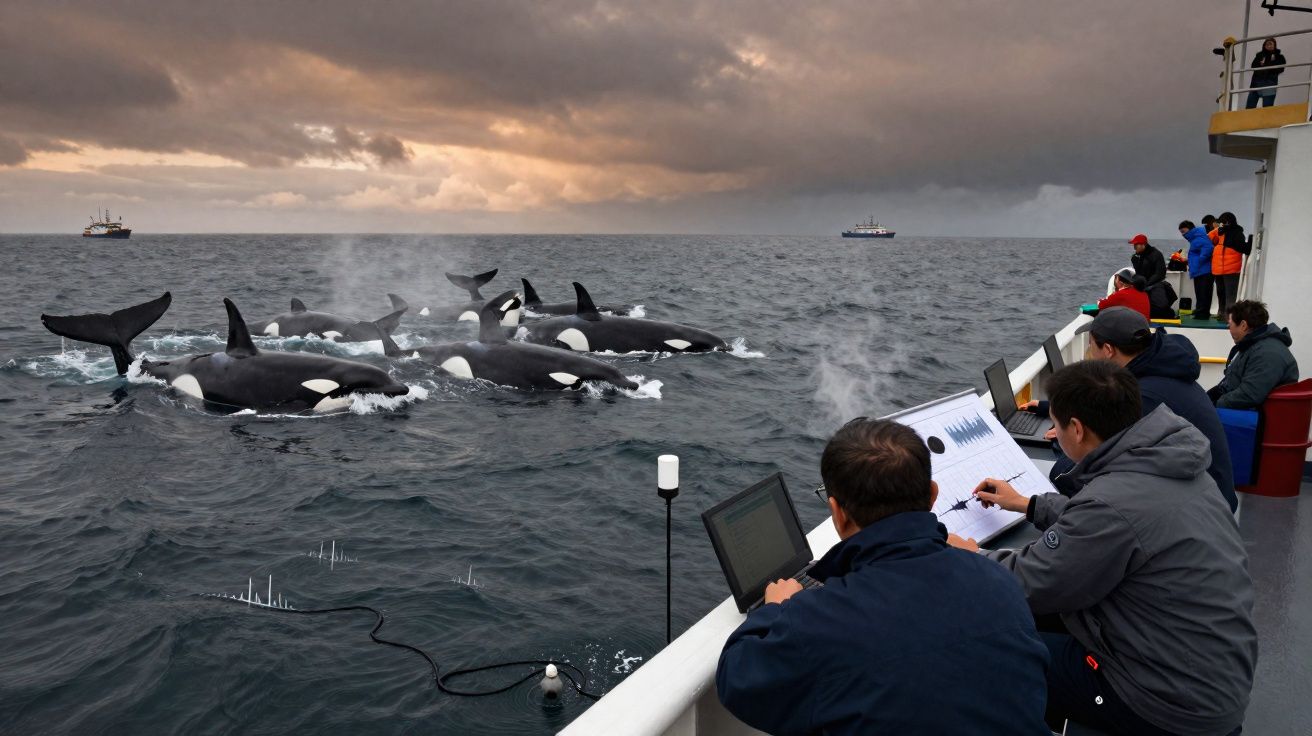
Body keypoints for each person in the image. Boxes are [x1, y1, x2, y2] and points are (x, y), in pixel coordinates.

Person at [950, 361, 1257, 736]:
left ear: (1076, 430)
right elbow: (1117, 524)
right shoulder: (1172, 463)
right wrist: (1028, 504)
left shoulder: (1112, 503)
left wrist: (970, 557)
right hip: (1209, 678)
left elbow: (1027, 582)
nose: (1055, 433)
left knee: (984, 653)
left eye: (1057, 426)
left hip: (1163, 703)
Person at [716, 419, 1050, 735]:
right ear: (932, 496)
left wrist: (779, 608)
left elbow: (737, 679)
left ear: (838, 513)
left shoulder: (819, 622)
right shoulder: (1001, 583)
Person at [1078, 307, 1236, 510]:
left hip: (1204, 511)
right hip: (1207, 494)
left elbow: (1101, 459)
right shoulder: (1160, 370)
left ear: (1108, 350)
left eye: (1091, 346)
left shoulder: (1146, 395)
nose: (1089, 353)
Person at [1209, 299, 1300, 409]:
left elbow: (1249, 394)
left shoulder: (1268, 353)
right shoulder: (1252, 346)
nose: (1229, 330)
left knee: (1199, 419)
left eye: (1230, 325)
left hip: (1259, 418)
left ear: (1243, 325)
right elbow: (1230, 384)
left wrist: (1214, 406)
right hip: (1248, 410)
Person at [1212, 212, 1245, 321]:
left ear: (1230, 221)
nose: (1222, 224)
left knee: (1230, 295)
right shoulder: (1220, 233)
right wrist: (1218, 230)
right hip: (1218, 269)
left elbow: (1242, 247)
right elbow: (1210, 239)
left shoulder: (1238, 233)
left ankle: (1229, 317)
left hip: (1231, 269)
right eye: (1221, 222)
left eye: (1224, 222)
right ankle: (1221, 313)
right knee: (1220, 292)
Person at [1180, 219, 1214, 318]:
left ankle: (1202, 313)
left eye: (1184, 231)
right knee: (1200, 293)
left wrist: (1199, 260)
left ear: (1190, 229)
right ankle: (1200, 310)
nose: (1183, 234)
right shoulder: (1196, 238)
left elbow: (1208, 248)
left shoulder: (1198, 237)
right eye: (1181, 232)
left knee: (1203, 293)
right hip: (1200, 270)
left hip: (1204, 270)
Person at [1245, 37, 1286, 109]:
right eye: (1267, 44)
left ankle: (1266, 120)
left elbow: (1281, 69)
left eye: (1271, 44)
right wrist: (1261, 64)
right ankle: (1247, 120)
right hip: (1256, 84)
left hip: (1269, 84)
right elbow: (1253, 66)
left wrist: (1271, 64)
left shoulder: (1279, 56)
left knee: (1267, 108)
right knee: (1249, 107)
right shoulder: (1259, 55)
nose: (1269, 46)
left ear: (1274, 45)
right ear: (1264, 46)